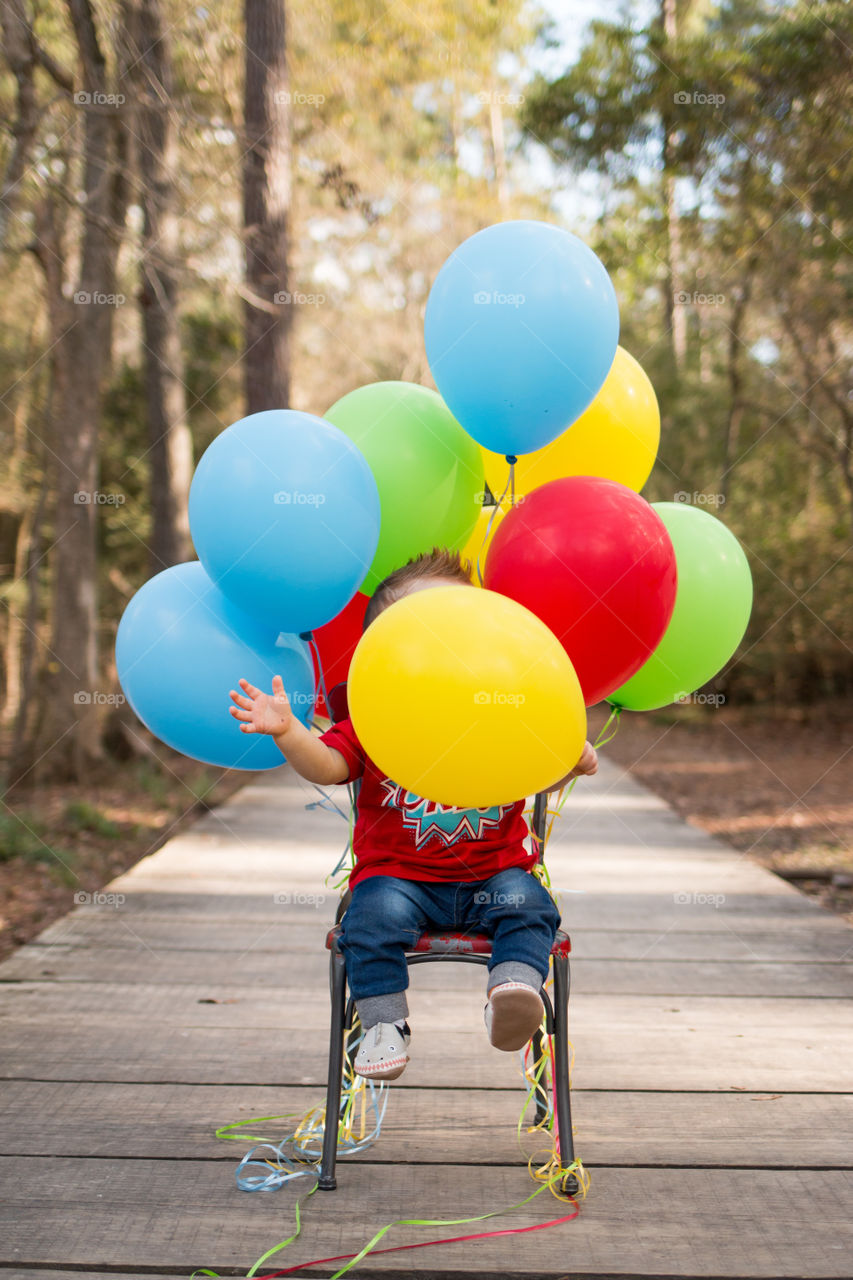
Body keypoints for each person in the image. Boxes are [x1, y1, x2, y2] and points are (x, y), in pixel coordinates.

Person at [228, 548, 597, 1081]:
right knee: (369, 918)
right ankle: (383, 1022)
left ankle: (512, 990)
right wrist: (290, 732)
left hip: (493, 874)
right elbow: (330, 766)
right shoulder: (380, 716)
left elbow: (534, 772)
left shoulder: (499, 712)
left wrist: (569, 762)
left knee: (529, 903)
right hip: (398, 880)